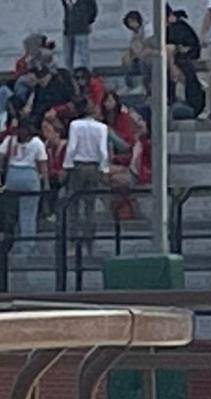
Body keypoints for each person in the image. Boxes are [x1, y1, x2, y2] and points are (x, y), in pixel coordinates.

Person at [63, 97, 109, 252]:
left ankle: (73, 238)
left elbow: (72, 147)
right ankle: (90, 239)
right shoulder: (102, 127)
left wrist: (67, 166)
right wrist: (105, 169)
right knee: (90, 206)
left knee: (73, 204)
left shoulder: (75, 125)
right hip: (94, 166)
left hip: (79, 165)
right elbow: (103, 150)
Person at [0, 118, 49, 254]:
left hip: (13, 175)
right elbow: (42, 164)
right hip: (30, 175)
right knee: (28, 213)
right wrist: (45, 183)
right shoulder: (37, 143)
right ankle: (28, 245)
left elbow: (1, 157)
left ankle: (9, 243)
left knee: (11, 214)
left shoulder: (10, 141)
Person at [41, 118, 67, 222]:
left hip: (64, 179)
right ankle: (47, 213)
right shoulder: (44, 146)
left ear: (57, 132)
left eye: (47, 129)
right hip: (50, 178)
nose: (44, 133)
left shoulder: (66, 146)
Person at [122, 10, 155, 93]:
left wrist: (137, 53)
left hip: (150, 53)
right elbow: (132, 47)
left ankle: (144, 86)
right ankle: (129, 85)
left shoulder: (147, 28)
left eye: (131, 22)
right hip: (140, 54)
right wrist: (128, 56)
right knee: (126, 60)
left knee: (143, 61)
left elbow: (148, 44)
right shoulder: (135, 33)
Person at [60, 0, 98, 70]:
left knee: (83, 55)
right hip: (68, 29)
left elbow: (93, 11)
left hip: (82, 29)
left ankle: (86, 73)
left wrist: (86, 21)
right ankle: (69, 74)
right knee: (67, 56)